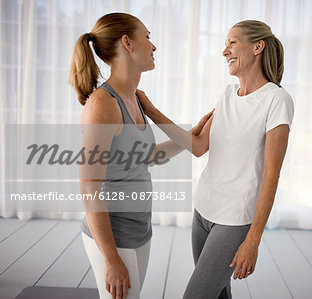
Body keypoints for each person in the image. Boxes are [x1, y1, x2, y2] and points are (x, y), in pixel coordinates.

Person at [136, 20, 294, 299]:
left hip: (234, 219)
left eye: (232, 43)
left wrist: (253, 240)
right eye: (225, 44)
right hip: (204, 209)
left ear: (258, 46)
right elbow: (198, 146)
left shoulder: (276, 100)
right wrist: (150, 110)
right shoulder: (227, 95)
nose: (225, 51)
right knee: (219, 294)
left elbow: (272, 175)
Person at [69, 12, 213, 299]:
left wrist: (191, 135)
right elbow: (89, 188)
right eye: (147, 37)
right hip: (113, 234)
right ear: (127, 43)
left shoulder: (133, 98)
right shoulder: (103, 105)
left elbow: (142, 158)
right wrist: (111, 260)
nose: (154, 46)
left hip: (139, 229)